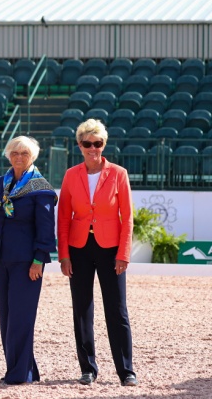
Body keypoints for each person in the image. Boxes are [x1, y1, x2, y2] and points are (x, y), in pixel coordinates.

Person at [57, 118, 138, 387]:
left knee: (117, 309)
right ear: (79, 145)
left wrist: (124, 253)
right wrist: (64, 254)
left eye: (98, 143)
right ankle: (88, 368)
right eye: (87, 143)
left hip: (111, 248)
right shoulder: (71, 175)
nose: (93, 148)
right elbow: (63, 217)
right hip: (78, 249)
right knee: (82, 309)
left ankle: (126, 371)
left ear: (104, 144)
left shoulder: (119, 173)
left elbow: (127, 217)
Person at [0, 136, 57, 385]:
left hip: (27, 263)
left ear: (32, 156)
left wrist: (39, 260)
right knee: (6, 317)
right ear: (8, 155)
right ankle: (26, 370)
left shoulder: (40, 188)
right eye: (15, 152)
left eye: (24, 153)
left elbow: (46, 229)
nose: (19, 157)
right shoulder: (0, 183)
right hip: (1, 258)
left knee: (21, 319)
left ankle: (17, 375)